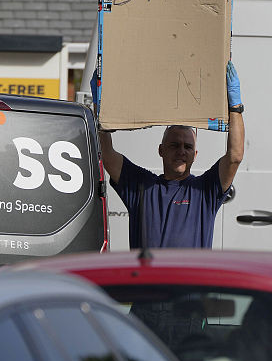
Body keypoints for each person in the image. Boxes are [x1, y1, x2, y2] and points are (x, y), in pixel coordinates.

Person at [99, 60, 244, 249]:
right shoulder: (142, 186)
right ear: (161, 150)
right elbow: (108, 156)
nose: (181, 151)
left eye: (187, 147)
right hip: (148, 279)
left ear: (195, 154)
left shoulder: (205, 190)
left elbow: (235, 157)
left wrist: (236, 108)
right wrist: (101, 109)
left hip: (189, 279)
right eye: (174, 145)